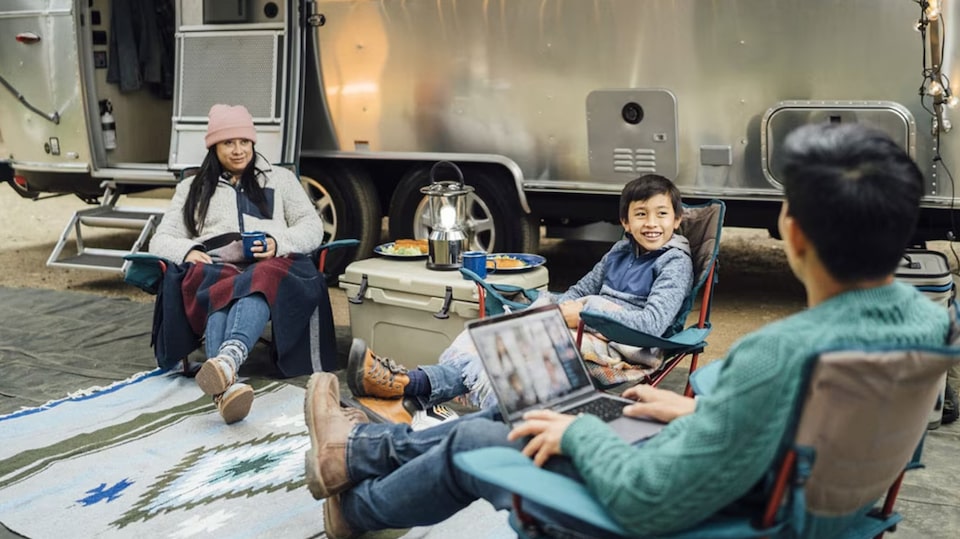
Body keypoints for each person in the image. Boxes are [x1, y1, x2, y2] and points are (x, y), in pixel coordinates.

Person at [304, 122, 952, 539]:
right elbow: (787, 429)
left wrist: (582, 432)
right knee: (533, 413)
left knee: (489, 435)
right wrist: (695, 410)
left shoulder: (780, 355)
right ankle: (357, 452)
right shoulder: (927, 324)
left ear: (794, 232)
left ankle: (354, 499)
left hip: (694, 515)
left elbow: (649, 501)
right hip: (789, 503)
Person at [347, 174, 695, 409]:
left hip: (626, 343)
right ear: (625, 222)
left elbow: (651, 324)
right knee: (496, 331)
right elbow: (578, 291)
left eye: (662, 214)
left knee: (511, 347)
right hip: (587, 325)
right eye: (641, 214)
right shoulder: (619, 251)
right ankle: (411, 385)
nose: (652, 223)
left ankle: (409, 385)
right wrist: (546, 308)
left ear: (677, 219)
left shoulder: (674, 263)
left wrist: (584, 314)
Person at [149, 104, 333, 425]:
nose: (238, 151)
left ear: (253, 143)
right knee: (227, 285)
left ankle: (225, 366)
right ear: (213, 147)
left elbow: (312, 227)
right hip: (217, 268)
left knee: (259, 277)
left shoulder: (281, 179)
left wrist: (279, 243)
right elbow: (161, 239)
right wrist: (189, 250)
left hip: (273, 264)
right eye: (228, 143)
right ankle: (227, 380)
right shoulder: (192, 188)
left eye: (244, 142)